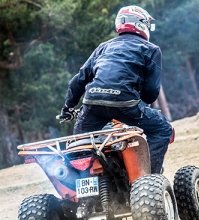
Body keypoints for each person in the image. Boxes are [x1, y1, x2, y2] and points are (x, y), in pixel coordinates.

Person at [61, 5, 172, 174]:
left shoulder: (103, 47)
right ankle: (148, 178)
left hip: (92, 104)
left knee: (79, 144)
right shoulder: (151, 49)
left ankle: (79, 187)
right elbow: (151, 93)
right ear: (140, 24)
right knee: (163, 129)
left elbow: (78, 80)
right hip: (126, 104)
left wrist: (68, 108)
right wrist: (139, 96)